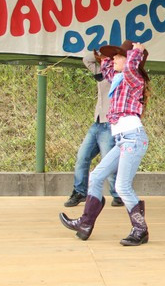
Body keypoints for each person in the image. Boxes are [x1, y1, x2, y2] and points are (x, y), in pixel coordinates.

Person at [60, 40, 151, 246]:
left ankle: (140, 230)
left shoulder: (134, 78)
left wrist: (136, 52)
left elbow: (131, 67)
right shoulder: (118, 79)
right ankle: (85, 224)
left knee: (122, 186)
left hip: (133, 138)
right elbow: (107, 67)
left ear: (130, 60)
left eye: (119, 56)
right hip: (122, 140)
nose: (115, 59)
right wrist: (109, 56)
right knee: (96, 177)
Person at [64, 51, 123, 208]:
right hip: (97, 123)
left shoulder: (122, 76)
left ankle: (118, 194)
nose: (114, 60)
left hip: (110, 124)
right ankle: (80, 192)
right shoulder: (104, 71)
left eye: (117, 57)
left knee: (108, 161)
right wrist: (100, 54)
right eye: (113, 57)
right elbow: (87, 60)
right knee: (82, 157)